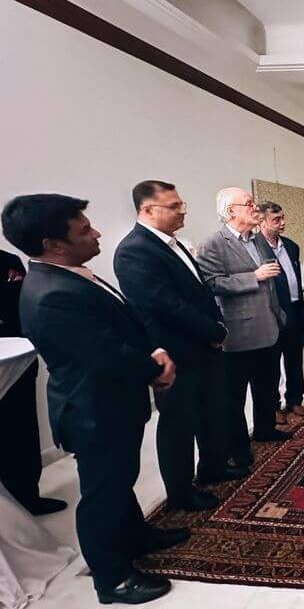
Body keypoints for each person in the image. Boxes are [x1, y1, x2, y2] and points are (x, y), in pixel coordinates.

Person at [3, 194, 184, 605]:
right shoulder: (52, 294)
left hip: (111, 404)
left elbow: (122, 324)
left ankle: (135, 535)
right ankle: (112, 577)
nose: (96, 233)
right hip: (94, 410)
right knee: (103, 495)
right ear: (54, 244)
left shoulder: (69, 275)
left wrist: (153, 352)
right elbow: (105, 355)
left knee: (120, 480)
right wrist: (155, 369)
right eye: (84, 229)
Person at [114, 181, 246, 513]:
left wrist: (216, 326)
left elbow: (201, 293)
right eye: (173, 206)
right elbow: (165, 305)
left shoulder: (173, 244)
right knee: (179, 425)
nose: (182, 211)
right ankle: (181, 492)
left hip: (205, 349)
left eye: (181, 203)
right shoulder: (135, 250)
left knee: (211, 413)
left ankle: (213, 466)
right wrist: (213, 330)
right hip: (176, 354)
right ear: (147, 210)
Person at [0, 201, 66, 515]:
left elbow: (26, 305)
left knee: (19, 436)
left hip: (15, 366)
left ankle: (27, 498)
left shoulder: (6, 261)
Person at [197, 188, 292, 468]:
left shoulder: (258, 239)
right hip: (238, 334)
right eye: (249, 204)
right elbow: (212, 283)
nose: (255, 208)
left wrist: (279, 315)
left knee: (267, 387)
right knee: (234, 398)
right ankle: (238, 448)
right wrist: (254, 276)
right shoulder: (213, 243)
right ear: (231, 211)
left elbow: (271, 281)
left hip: (269, 327)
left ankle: (265, 428)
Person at [256, 201, 304, 422]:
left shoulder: (291, 246)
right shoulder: (254, 247)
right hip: (271, 312)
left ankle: (295, 399)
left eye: (283, 218)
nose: (282, 223)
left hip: (294, 308)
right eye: (276, 220)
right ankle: (273, 406)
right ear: (262, 222)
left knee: (294, 357)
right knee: (271, 362)